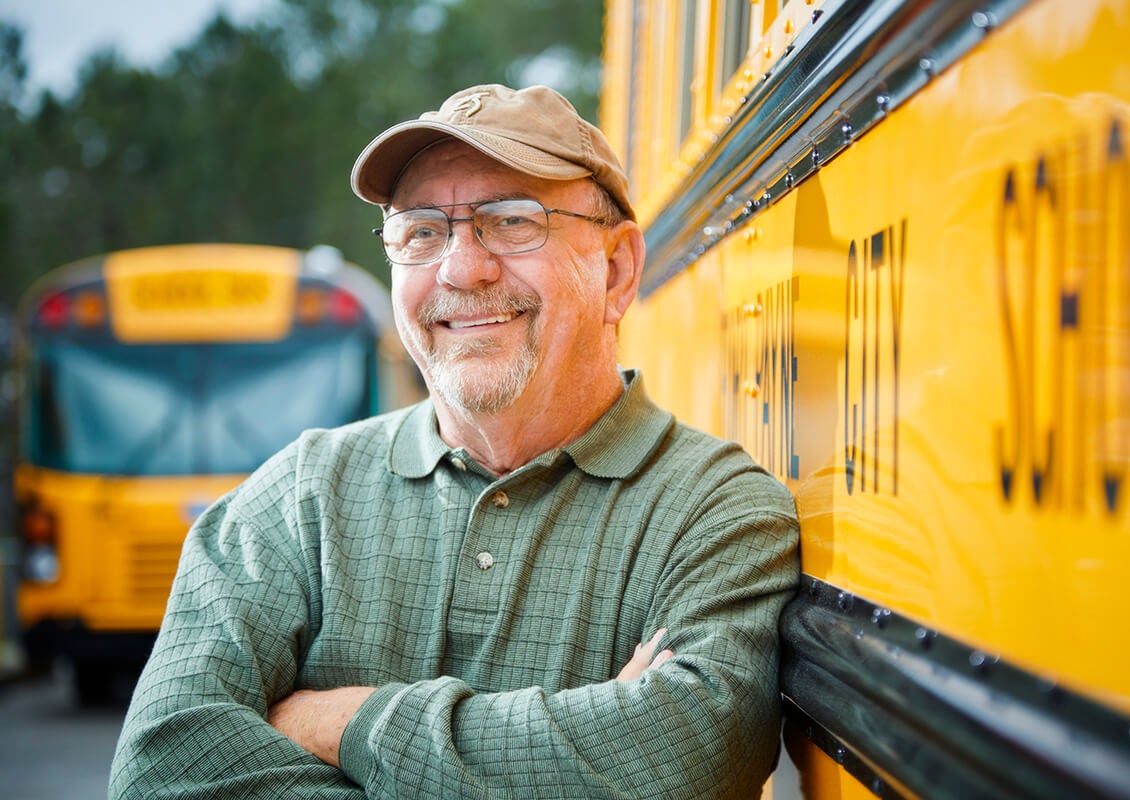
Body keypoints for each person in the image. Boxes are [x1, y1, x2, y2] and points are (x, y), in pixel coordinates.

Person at [109, 83, 800, 800]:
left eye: (511, 221)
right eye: (421, 232)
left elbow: (689, 756)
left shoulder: (717, 511)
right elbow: (160, 770)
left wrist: (342, 722)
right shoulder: (297, 500)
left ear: (617, 271)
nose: (462, 269)